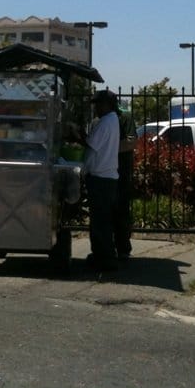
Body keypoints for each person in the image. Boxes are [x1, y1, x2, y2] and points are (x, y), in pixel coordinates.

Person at [83, 89, 119, 272]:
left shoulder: (104, 123)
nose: (96, 108)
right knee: (103, 220)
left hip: (100, 177)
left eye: (98, 104)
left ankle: (104, 259)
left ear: (106, 105)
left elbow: (91, 149)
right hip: (108, 176)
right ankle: (102, 255)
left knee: (100, 221)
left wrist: (83, 169)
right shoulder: (112, 120)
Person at [113, 103, 136, 262]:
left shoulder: (125, 117)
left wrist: (108, 148)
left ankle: (122, 248)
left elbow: (131, 142)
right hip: (105, 169)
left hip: (121, 170)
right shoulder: (98, 119)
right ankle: (108, 248)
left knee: (121, 209)